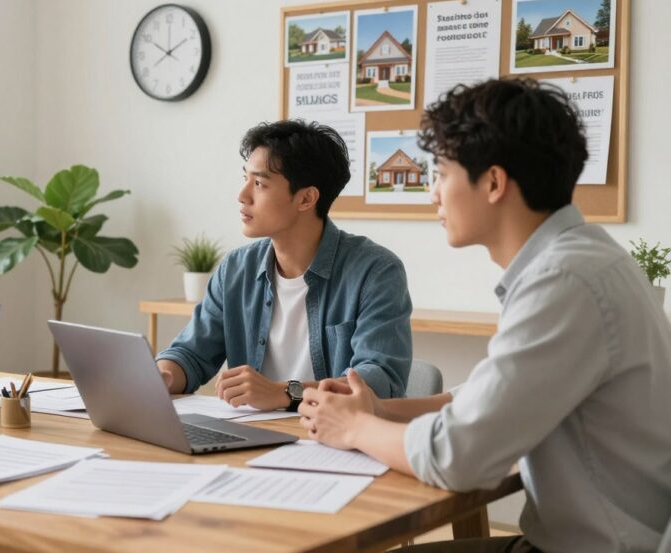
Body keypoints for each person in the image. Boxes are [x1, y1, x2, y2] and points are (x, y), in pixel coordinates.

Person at [299, 78, 671, 552]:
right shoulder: (583, 258)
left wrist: (354, 428)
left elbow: (458, 458)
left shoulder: (564, 280)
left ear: (493, 182)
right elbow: (482, 398)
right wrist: (378, 408)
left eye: (442, 174)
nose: (433, 193)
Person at [156, 120, 413, 412]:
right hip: (252, 437)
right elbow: (190, 353)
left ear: (306, 198)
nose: (242, 195)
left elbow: (380, 381)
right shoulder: (236, 269)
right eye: (245, 178)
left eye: (259, 184)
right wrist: (162, 375)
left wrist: (284, 393)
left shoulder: (375, 272)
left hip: (337, 440)